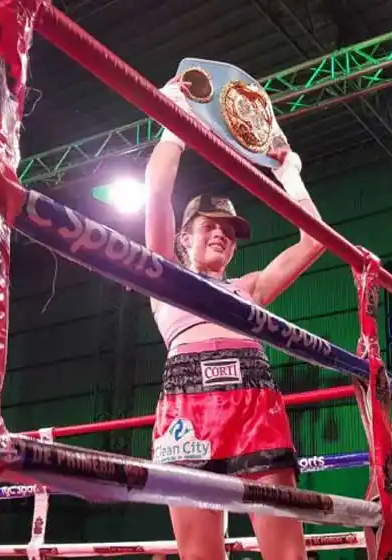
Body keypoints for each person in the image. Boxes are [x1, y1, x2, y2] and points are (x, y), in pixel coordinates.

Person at [145, 76, 325, 560]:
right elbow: (156, 196)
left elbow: (314, 241)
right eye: (210, 226)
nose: (222, 235)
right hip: (188, 412)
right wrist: (174, 118)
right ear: (184, 237)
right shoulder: (164, 278)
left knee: (287, 555)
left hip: (254, 406)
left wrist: (289, 173)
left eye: (229, 232)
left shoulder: (249, 290)